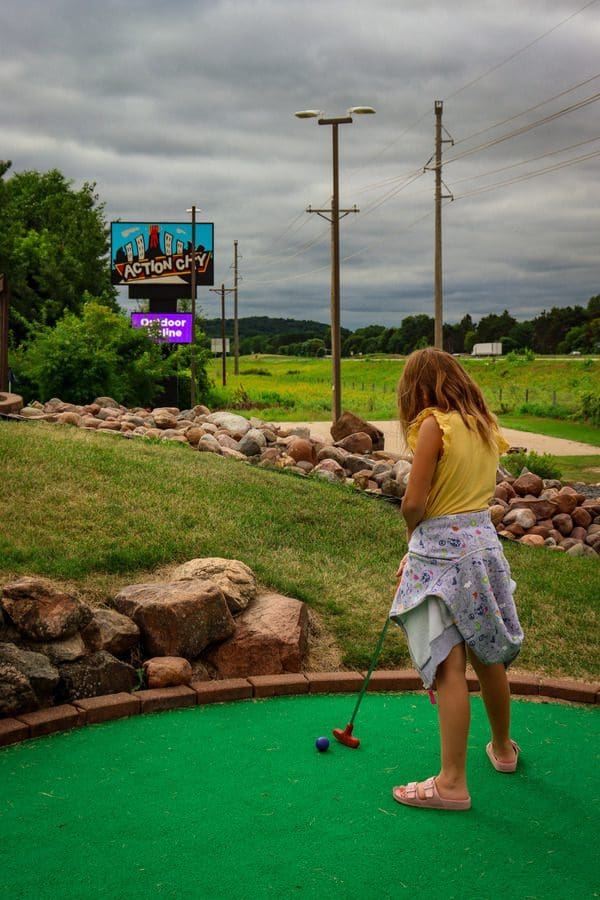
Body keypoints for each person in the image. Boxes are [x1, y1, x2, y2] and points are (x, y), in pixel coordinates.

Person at [389, 348, 524, 811]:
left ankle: (451, 783)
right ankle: (503, 750)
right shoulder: (482, 423)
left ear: (417, 387)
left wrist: (413, 541)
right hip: (483, 546)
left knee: (448, 664)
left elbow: (413, 502)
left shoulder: (434, 424)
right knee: (488, 657)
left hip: (443, 554)